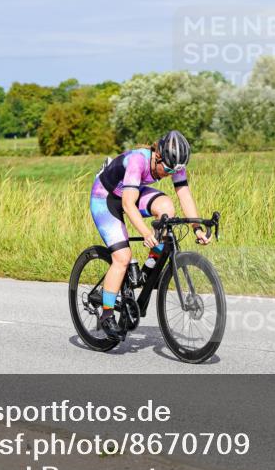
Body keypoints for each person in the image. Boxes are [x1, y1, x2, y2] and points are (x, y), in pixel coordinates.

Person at [89, 130, 209, 339]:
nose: (171, 174)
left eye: (176, 170)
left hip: (131, 192)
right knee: (122, 257)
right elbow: (127, 204)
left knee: (167, 210)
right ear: (159, 155)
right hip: (105, 198)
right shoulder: (138, 160)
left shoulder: (174, 164)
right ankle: (107, 315)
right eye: (169, 169)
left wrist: (196, 227)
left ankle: (147, 270)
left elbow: (184, 195)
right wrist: (145, 233)